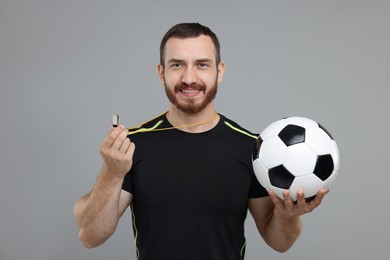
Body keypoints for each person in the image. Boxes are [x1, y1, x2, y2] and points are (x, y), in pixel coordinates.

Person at [73, 23, 328, 260]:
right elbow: (91, 235)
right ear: (161, 73)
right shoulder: (133, 146)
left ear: (220, 71)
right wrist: (111, 173)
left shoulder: (253, 148)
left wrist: (287, 215)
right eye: (177, 65)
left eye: (202, 65)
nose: (189, 78)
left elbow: (279, 243)